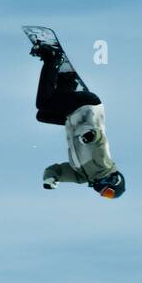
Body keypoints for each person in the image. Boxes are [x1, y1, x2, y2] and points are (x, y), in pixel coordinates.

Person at [30, 40, 125, 199]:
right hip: (88, 107)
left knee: (43, 115)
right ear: (114, 180)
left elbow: (59, 171)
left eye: (105, 196)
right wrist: (90, 136)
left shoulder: (82, 176)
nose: (102, 193)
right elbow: (100, 142)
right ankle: (53, 58)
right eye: (108, 192)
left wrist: (51, 178)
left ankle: (67, 82)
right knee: (44, 102)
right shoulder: (104, 167)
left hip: (75, 116)